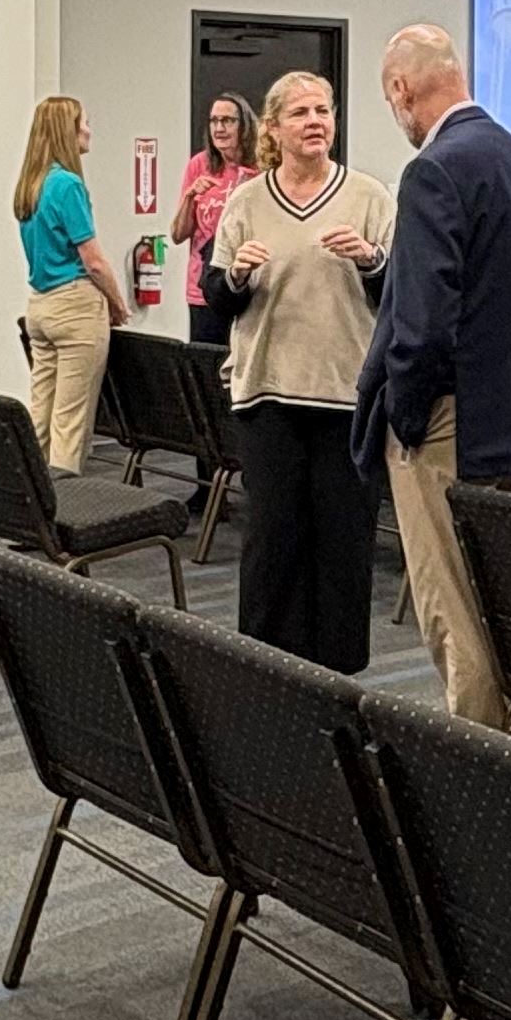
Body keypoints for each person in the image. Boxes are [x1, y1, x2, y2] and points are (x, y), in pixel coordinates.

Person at [352, 24, 511, 726]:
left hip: (444, 422)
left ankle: (482, 771)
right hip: (510, 413)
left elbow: (419, 321)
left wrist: (409, 418)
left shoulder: (433, 169)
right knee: (496, 595)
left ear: (400, 89)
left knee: (451, 606)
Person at [203, 72, 393, 673]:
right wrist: (234, 275)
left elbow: (398, 295)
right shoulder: (247, 202)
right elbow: (216, 295)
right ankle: (265, 663)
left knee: (344, 538)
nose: (316, 121)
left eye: (325, 110)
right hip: (267, 394)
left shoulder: (369, 196)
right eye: (302, 113)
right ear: (276, 128)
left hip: (346, 395)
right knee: (273, 538)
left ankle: (338, 671)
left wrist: (370, 260)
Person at [14, 96, 129, 473]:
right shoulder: (67, 184)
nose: (89, 131)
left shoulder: (30, 183)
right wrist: (117, 303)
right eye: (84, 123)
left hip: (40, 307)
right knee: (71, 422)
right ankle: (66, 511)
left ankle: (31, 507)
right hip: (76, 308)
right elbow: (93, 261)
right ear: (68, 131)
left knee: (41, 417)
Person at [171, 92, 261, 347]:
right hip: (203, 288)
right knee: (208, 365)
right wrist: (190, 197)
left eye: (227, 121)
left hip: (249, 285)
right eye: (214, 121)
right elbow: (178, 235)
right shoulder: (199, 165)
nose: (219, 128)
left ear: (243, 125)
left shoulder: (261, 168)